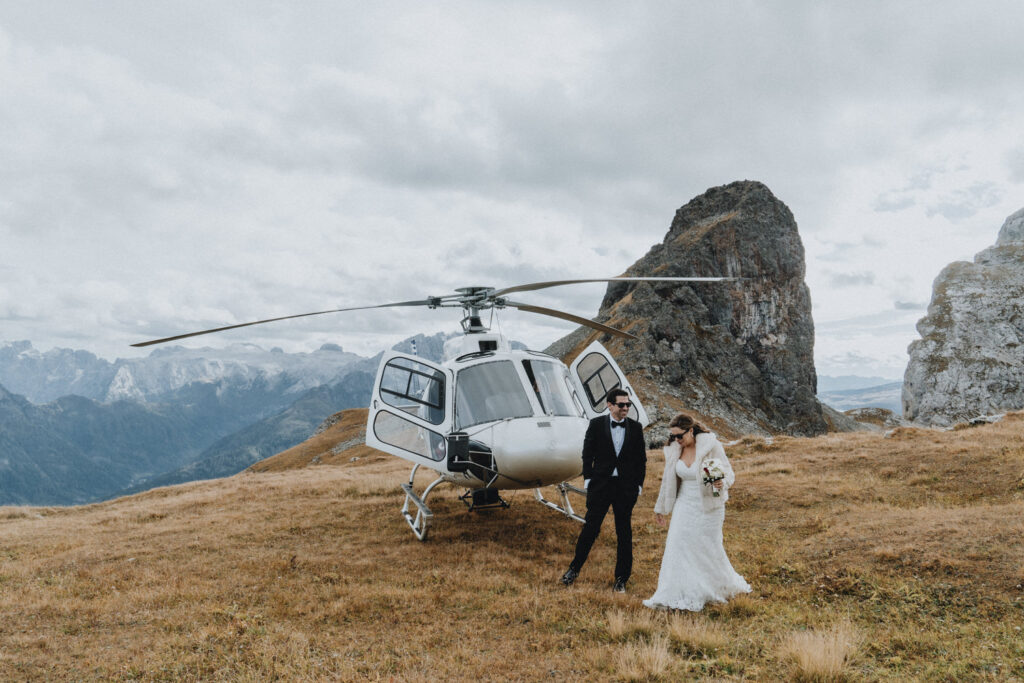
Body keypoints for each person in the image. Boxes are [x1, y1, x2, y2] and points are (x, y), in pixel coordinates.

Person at [643, 413, 751, 611]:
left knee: (707, 547)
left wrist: (722, 482)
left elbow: (728, 473)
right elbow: (668, 481)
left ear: (691, 431)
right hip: (684, 504)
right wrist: (660, 508)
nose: (677, 440)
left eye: (680, 436)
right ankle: (676, 592)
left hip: (709, 506)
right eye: (673, 436)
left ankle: (712, 586)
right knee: (677, 544)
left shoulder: (711, 446)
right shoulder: (674, 449)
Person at [561, 387, 647, 593]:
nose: (626, 408)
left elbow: (640, 460)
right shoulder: (596, 425)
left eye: (628, 404)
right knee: (590, 529)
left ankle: (621, 579)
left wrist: (638, 485)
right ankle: (574, 569)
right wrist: (588, 480)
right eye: (621, 404)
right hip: (600, 486)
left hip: (625, 489)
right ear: (609, 405)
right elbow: (587, 454)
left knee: (624, 533)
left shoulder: (636, 428)